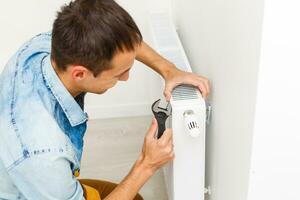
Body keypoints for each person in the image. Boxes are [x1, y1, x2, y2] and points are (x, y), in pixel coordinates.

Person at [0, 0, 210, 199]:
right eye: (119, 73)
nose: (126, 78)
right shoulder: (43, 154)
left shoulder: (47, 46)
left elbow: (127, 43)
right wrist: (147, 164)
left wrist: (169, 70)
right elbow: (41, 161)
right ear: (80, 74)